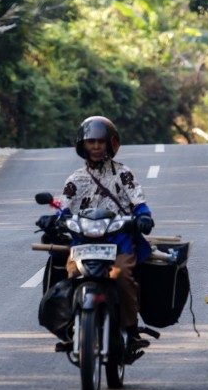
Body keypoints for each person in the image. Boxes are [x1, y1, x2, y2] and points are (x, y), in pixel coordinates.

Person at [56, 115, 155, 352]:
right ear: (82, 145)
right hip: (83, 241)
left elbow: (138, 201)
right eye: (91, 142)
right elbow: (64, 208)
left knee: (121, 276)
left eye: (101, 142)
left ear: (112, 143)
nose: (96, 147)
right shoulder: (75, 179)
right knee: (72, 273)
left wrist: (143, 216)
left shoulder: (123, 174)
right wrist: (54, 220)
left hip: (118, 240)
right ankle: (73, 328)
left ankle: (130, 331)